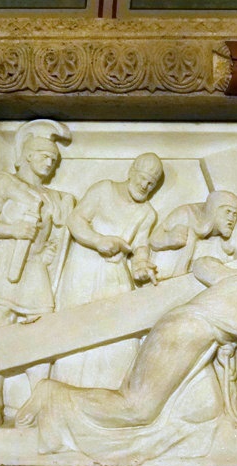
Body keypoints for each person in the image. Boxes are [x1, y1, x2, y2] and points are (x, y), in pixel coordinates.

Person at [17, 257, 237, 461]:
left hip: (176, 326)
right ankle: (54, 395)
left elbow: (202, 265)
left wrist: (224, 322)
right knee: (137, 408)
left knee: (208, 408)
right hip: (183, 340)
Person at [0, 119, 75, 429]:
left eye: (54, 159)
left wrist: (49, 249)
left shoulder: (52, 197)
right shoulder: (3, 183)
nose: (50, 163)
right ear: (27, 155)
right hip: (6, 262)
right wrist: (13, 230)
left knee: (42, 329)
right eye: (44, 156)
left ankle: (37, 401)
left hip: (35, 266)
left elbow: (58, 232)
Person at [50, 153, 162, 388]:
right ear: (131, 171)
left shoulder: (147, 213)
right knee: (76, 328)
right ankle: (66, 389)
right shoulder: (104, 190)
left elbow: (140, 246)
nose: (145, 185)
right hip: (84, 268)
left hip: (115, 274)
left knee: (120, 333)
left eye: (151, 183)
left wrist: (141, 265)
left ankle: (110, 391)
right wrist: (97, 240)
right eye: (143, 178)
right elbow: (75, 220)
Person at [149, 190, 237, 279]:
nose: (231, 218)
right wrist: (168, 238)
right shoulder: (186, 214)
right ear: (214, 210)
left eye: (235, 214)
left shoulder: (219, 243)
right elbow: (154, 239)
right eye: (227, 211)